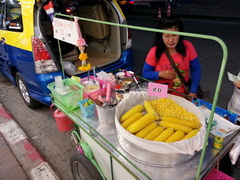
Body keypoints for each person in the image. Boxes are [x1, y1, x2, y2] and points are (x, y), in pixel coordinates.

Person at [142, 15, 201, 99]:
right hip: (160, 94)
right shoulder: (154, 51)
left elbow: (196, 69)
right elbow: (145, 73)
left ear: (180, 34)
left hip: (183, 93)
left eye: (174, 35)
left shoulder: (188, 46)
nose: (171, 40)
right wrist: (159, 74)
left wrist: (193, 91)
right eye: (167, 36)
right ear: (161, 36)